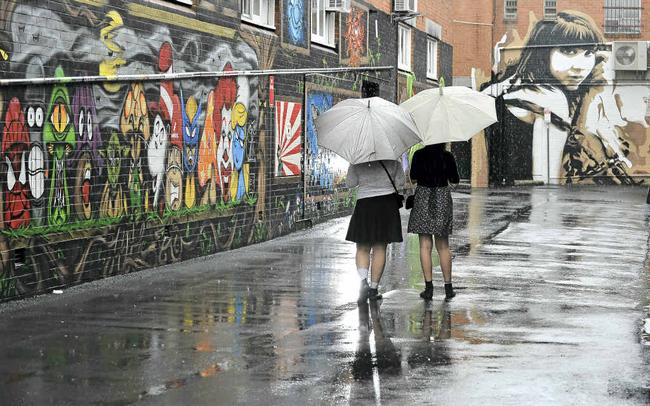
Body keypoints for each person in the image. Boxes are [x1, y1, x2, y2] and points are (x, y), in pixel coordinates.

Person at [483, 11, 634, 185]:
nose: (580, 66)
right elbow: (546, 179)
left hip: (507, 193)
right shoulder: (551, 97)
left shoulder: (514, 85)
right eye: (568, 51)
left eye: (588, 53)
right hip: (524, 203)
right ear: (543, 53)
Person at [346, 159, 405, 303]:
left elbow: (350, 183)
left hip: (365, 204)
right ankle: (373, 289)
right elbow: (400, 183)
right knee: (380, 248)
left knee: (362, 248)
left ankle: (363, 282)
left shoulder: (358, 157)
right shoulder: (393, 158)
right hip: (386, 204)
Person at [407, 144, 459, 300]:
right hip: (442, 198)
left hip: (423, 197)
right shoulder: (447, 156)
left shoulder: (419, 154)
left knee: (425, 245)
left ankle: (428, 288)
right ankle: (448, 287)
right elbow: (455, 180)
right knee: (443, 246)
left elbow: (414, 178)